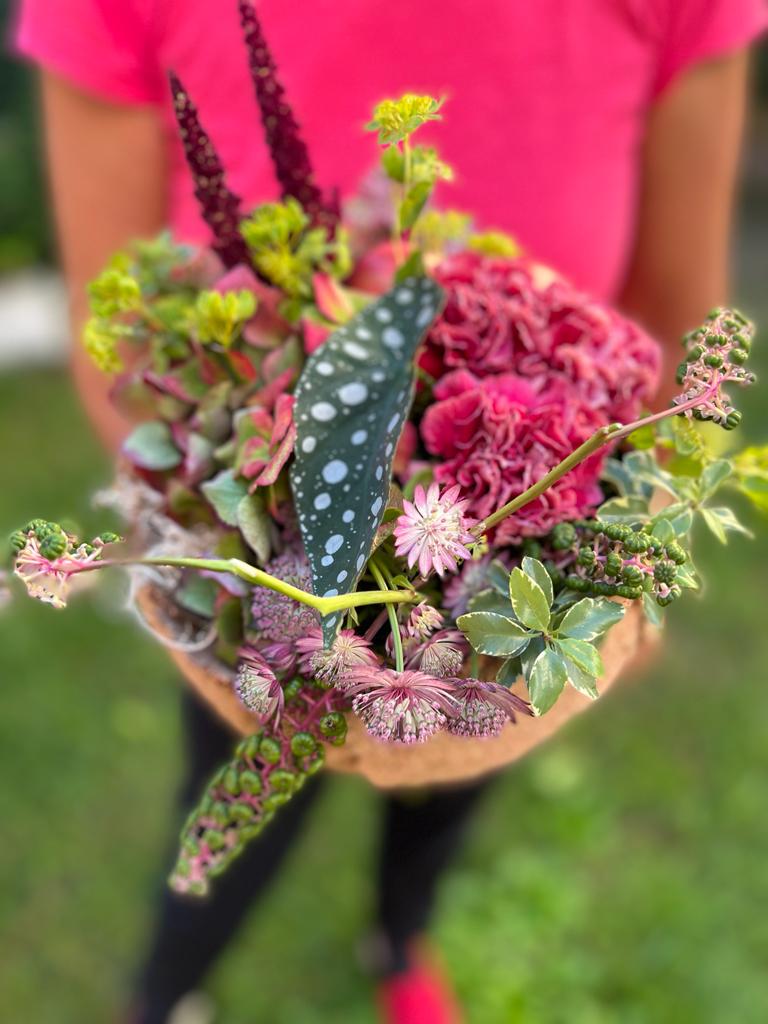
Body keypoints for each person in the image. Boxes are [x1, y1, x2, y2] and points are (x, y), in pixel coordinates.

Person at [13, 2, 767, 1022]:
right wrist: (228, 563)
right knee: (236, 799)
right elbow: (123, 338)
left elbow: (680, 317)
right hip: (266, 546)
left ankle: (398, 935)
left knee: (460, 769)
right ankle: (168, 985)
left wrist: (640, 553)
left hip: (526, 537)